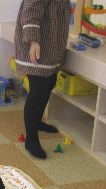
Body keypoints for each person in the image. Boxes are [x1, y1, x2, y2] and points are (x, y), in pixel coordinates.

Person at [14, 0, 71, 159]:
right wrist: (33, 41)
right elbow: (30, 11)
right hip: (36, 46)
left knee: (50, 82)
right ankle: (31, 139)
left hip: (51, 45)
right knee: (38, 90)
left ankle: (37, 122)